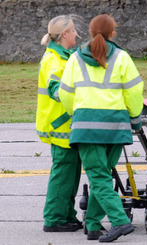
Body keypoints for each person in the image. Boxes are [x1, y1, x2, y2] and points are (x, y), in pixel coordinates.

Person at [59, 14, 143, 242]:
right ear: (112, 33)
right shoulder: (122, 57)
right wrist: (135, 119)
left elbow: (65, 93)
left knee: (99, 178)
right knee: (102, 176)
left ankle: (120, 221)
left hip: (87, 126)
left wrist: (74, 114)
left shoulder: (76, 59)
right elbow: (134, 92)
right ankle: (94, 225)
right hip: (115, 127)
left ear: (89, 31)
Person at [36, 15, 83, 233]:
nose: (76, 34)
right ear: (64, 34)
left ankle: (67, 215)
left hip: (68, 125)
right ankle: (55, 218)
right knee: (63, 173)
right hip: (60, 126)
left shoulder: (66, 56)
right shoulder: (53, 60)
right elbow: (58, 91)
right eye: (73, 31)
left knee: (71, 173)